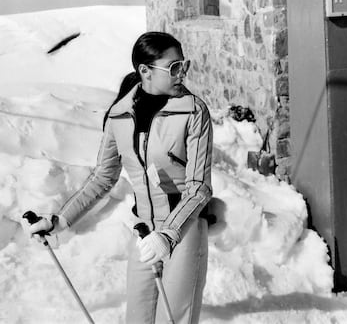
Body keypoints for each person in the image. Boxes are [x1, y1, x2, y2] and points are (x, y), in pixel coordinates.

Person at [22, 31, 213, 324]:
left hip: (183, 230)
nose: (181, 74)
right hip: (144, 231)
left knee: (173, 320)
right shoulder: (119, 116)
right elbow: (103, 177)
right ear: (145, 71)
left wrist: (168, 234)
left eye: (183, 65)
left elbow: (198, 187)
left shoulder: (193, 111)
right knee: (137, 318)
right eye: (173, 67)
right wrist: (60, 220)